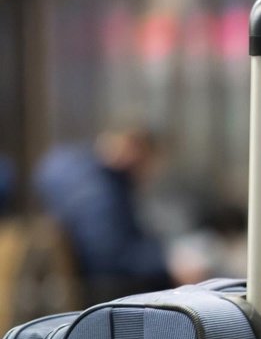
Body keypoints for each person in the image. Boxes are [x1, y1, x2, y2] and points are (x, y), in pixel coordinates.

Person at [34, 128, 173, 306]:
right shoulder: (97, 192)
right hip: (100, 296)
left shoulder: (72, 166)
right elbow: (110, 257)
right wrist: (166, 263)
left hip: (93, 285)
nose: (147, 176)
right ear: (132, 149)